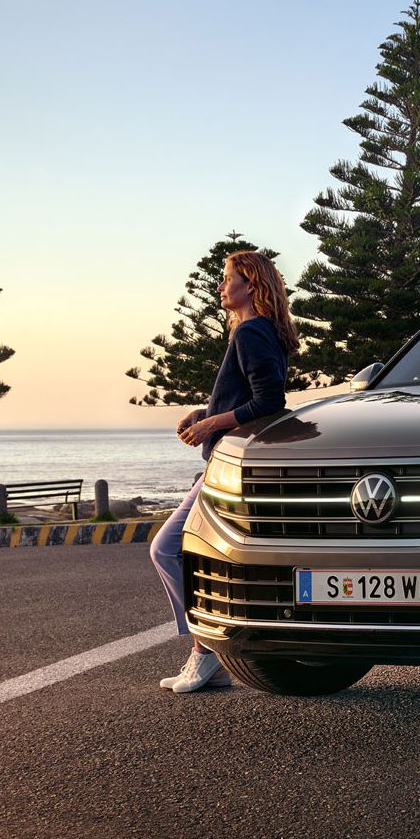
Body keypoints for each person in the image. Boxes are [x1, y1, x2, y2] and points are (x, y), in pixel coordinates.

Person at [151, 250, 298, 693]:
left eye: (227, 278)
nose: (220, 286)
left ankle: (206, 651)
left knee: (167, 548)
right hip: (231, 464)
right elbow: (251, 398)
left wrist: (212, 424)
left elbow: (270, 402)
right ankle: (210, 651)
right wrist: (205, 411)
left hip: (226, 467)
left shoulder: (252, 331)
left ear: (250, 284)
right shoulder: (260, 331)